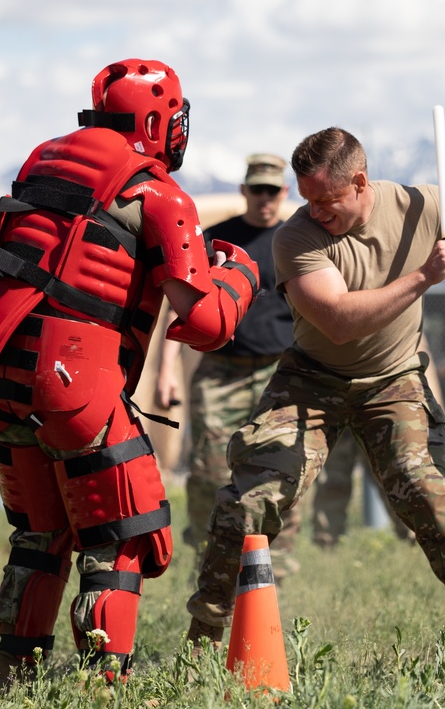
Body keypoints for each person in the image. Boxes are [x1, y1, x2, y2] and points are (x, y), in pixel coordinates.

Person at [185, 126, 445, 681]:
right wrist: (427, 274)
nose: (314, 211)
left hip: (393, 380)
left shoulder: (420, 206)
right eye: (306, 199)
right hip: (312, 379)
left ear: (360, 182)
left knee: (427, 495)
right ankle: (202, 642)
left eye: (326, 200)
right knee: (250, 500)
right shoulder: (295, 239)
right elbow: (340, 321)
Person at [0, 58, 260, 688]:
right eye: (174, 117)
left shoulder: (43, 166)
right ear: (156, 120)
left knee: (41, 534)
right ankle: (102, 685)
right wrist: (241, 271)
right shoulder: (159, 195)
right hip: (72, 382)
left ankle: (14, 672)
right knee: (125, 538)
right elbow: (207, 324)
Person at [154, 153, 304, 581]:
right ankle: (206, 553)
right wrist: (167, 372)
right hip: (221, 371)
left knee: (284, 467)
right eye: (256, 189)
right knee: (208, 469)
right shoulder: (218, 241)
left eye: (272, 190)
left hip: (278, 371)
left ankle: (280, 565)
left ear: (284, 192)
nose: (264, 198)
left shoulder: (294, 240)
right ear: (244, 191)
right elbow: (178, 308)